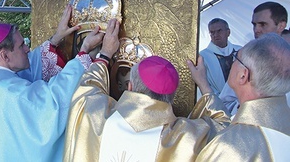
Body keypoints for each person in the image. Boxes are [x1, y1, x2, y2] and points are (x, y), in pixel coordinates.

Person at [63, 19, 230, 161]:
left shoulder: (96, 116)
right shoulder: (187, 138)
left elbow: (87, 90)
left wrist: (105, 54)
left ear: (129, 86)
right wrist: (204, 86)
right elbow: (224, 129)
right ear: (171, 97)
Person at [0, 5, 103, 162]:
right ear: (5, 55)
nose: (28, 49)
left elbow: (26, 68)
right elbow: (54, 100)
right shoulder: (10, 94)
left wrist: (56, 38)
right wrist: (84, 53)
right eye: (21, 45)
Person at [196, 33, 290, 161]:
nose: (231, 64)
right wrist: (204, 84)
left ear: (243, 75)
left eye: (235, 58)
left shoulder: (229, 148)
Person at [219, 1, 288, 113]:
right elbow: (225, 102)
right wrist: (246, 105)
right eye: (254, 24)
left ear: (281, 26)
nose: (256, 30)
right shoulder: (244, 59)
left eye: (263, 24)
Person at [200, 18, 241, 95]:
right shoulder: (203, 57)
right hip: (218, 101)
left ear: (228, 32)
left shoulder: (241, 51)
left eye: (219, 31)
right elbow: (203, 83)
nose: (215, 35)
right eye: (212, 32)